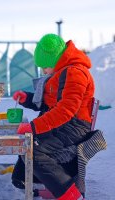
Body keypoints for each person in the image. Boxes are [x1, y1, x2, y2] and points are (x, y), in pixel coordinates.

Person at [11, 33, 95, 200]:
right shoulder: (62, 73)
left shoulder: (75, 73)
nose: (44, 71)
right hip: (66, 124)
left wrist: (34, 127)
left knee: (31, 149)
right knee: (21, 164)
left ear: (54, 61)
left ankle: (70, 194)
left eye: (45, 66)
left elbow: (65, 110)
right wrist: (27, 98)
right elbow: (51, 103)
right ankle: (30, 180)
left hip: (74, 127)